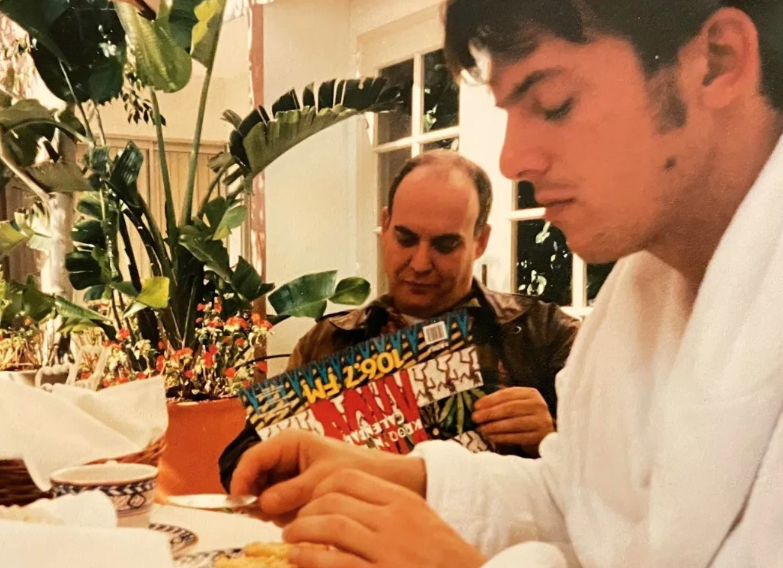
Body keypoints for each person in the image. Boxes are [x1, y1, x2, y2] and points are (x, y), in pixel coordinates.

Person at [231, 1, 783, 568]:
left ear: (718, 61)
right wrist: (408, 480)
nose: (513, 158)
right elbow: (587, 504)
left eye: (552, 102)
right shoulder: (643, 289)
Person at [219, 151, 579, 489]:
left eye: (445, 245)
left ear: (480, 242)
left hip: (489, 553)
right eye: (406, 239)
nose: (420, 263)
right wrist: (296, 452)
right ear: (385, 224)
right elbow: (237, 461)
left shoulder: (545, 334)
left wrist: (552, 437)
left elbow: (622, 487)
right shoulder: (329, 341)